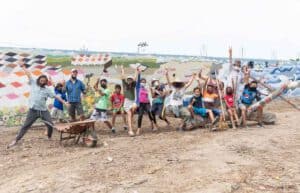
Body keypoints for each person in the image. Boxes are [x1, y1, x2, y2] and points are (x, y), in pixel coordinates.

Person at [7, 63, 68, 148]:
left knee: (50, 124)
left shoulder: (47, 90)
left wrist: (64, 102)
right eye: (41, 80)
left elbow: (56, 96)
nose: (42, 82)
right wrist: (23, 67)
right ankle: (16, 140)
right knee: (25, 126)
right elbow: (28, 74)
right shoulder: (33, 84)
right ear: (39, 80)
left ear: (46, 82)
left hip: (43, 111)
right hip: (33, 111)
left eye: (44, 81)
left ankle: (49, 137)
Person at [120, 65, 138, 136]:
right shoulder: (124, 84)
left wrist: (136, 70)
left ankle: (129, 122)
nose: (129, 80)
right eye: (128, 79)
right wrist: (122, 69)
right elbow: (123, 76)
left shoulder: (133, 85)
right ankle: (130, 130)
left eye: (131, 79)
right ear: (127, 80)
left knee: (131, 114)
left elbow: (135, 77)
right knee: (130, 114)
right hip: (127, 101)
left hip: (133, 101)